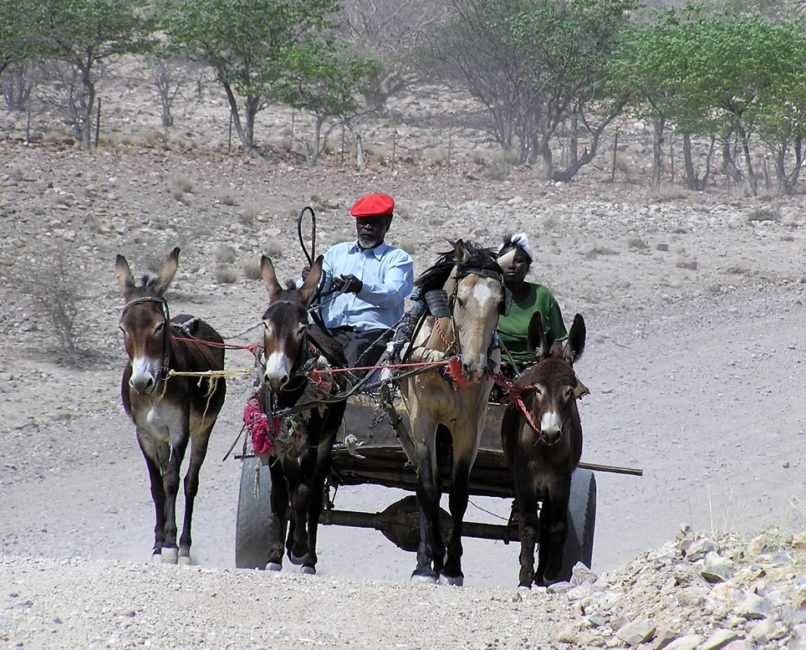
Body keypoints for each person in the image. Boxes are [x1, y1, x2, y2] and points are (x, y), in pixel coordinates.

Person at [313, 192, 414, 373]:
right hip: (331, 331)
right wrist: (311, 280)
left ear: (388, 223)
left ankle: (348, 399)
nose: (367, 226)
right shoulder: (337, 253)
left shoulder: (398, 259)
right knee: (294, 340)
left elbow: (392, 294)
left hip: (373, 335)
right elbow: (318, 286)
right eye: (362, 221)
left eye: (374, 221)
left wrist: (360, 288)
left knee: (356, 353)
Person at [496, 232, 567, 373]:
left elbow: (557, 339)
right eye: (506, 261)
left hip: (537, 369)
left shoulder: (542, 296)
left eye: (518, 260)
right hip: (498, 369)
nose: (512, 266)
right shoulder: (490, 297)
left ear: (528, 265)